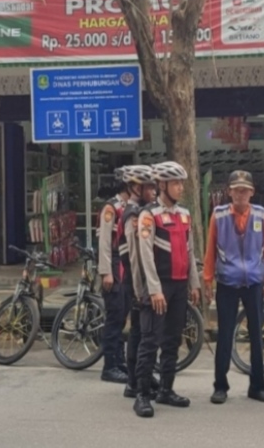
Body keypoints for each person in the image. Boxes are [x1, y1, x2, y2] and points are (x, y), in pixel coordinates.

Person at [132, 161, 201, 418]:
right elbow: (145, 255)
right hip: (159, 287)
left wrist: (194, 283)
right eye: (175, 183)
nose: (180, 187)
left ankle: (166, 389)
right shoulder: (149, 215)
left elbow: (190, 251)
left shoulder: (184, 214)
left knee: (173, 340)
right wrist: (154, 289)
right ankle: (142, 395)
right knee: (150, 340)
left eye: (182, 183)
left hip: (179, 286)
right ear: (162, 185)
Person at [203, 170, 264, 405]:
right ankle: (220, 386)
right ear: (229, 192)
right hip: (227, 281)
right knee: (225, 334)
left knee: (256, 335)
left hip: (254, 281)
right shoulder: (219, 215)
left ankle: (258, 386)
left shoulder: (261, 215)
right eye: (236, 190)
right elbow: (210, 250)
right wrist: (207, 280)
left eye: (245, 190)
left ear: (252, 192)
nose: (240, 194)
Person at [120, 165, 158, 398]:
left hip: (137, 280)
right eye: (148, 187)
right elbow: (134, 256)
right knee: (138, 333)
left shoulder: (141, 211)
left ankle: (141, 376)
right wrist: (139, 290)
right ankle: (133, 382)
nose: (153, 191)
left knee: (141, 331)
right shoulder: (133, 215)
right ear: (135, 188)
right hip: (134, 281)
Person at [97, 166, 136, 383]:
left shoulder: (129, 207)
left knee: (122, 316)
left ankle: (119, 362)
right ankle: (109, 366)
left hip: (123, 265)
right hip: (113, 265)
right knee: (114, 318)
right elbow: (104, 242)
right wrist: (106, 272)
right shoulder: (111, 208)